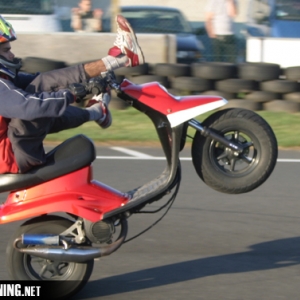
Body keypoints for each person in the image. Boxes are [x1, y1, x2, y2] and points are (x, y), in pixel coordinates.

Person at [0, 14, 144, 174]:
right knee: (37, 105)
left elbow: (44, 81)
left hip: (15, 152)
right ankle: (119, 61)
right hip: (13, 158)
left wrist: (103, 67)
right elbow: (28, 106)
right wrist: (73, 93)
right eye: (6, 51)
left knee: (41, 87)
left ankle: (116, 63)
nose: (12, 55)